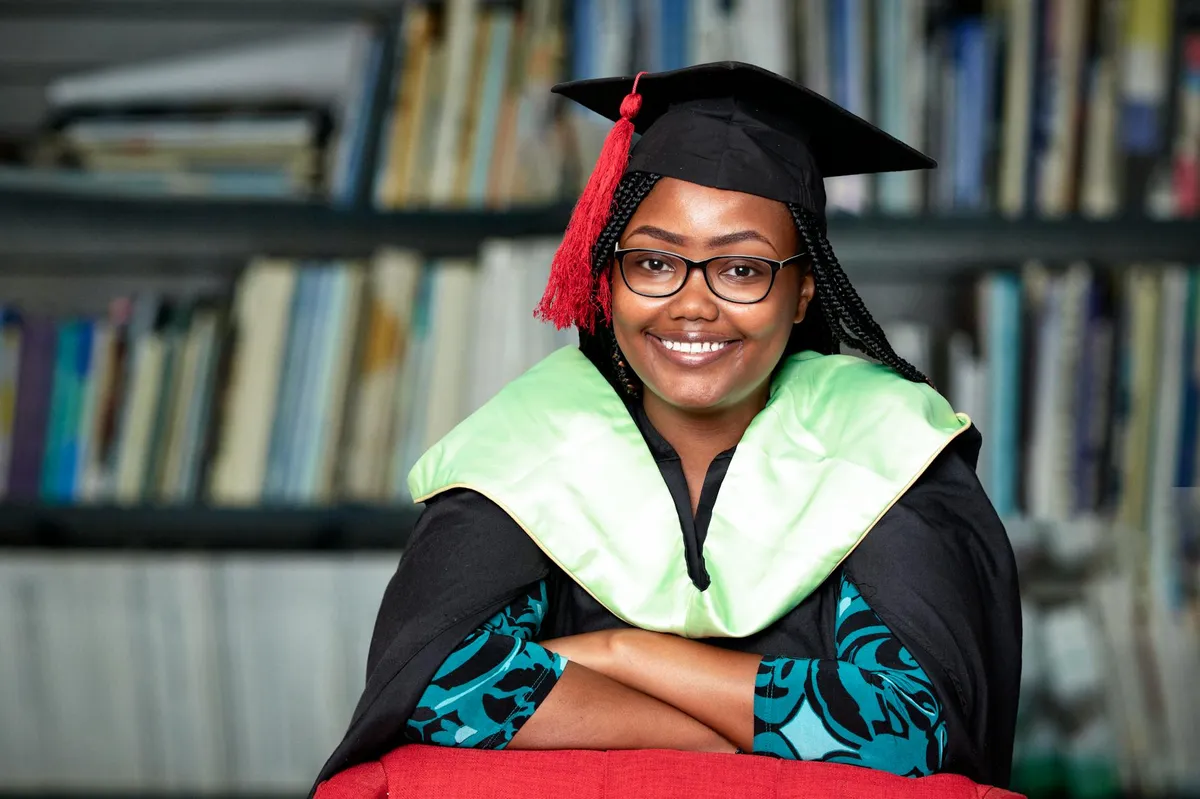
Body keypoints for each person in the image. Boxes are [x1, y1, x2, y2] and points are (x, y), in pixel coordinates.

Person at [313, 61, 1022, 793]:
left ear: (805, 287)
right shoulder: (529, 448)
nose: (692, 304)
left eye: (743, 270)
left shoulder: (885, 451)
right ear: (608, 275)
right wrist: (726, 739)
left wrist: (626, 655)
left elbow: (906, 729)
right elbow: (441, 687)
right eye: (653, 261)